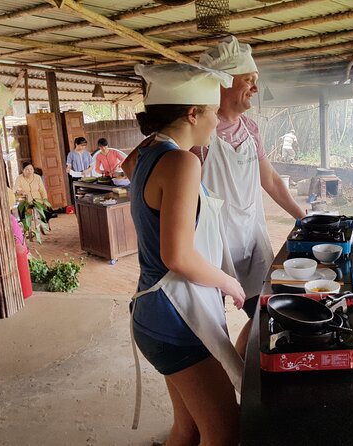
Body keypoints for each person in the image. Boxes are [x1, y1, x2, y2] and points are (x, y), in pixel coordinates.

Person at [129, 62, 244, 446]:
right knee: (224, 432)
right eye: (212, 112)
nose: (216, 122)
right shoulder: (182, 161)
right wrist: (229, 281)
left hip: (154, 313)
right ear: (192, 113)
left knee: (188, 429)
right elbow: (177, 255)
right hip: (176, 318)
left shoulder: (148, 152)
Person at [197, 36, 307, 356]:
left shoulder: (250, 129)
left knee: (264, 315)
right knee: (209, 325)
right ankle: (222, 380)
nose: (256, 89)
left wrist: (303, 216)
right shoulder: (198, 130)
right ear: (223, 82)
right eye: (249, 81)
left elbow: (270, 179)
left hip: (251, 237)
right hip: (212, 247)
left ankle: (245, 371)